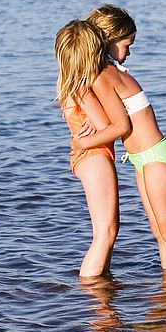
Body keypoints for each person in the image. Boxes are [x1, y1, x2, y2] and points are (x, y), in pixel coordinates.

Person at [76, 4, 166, 275]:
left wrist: (82, 143)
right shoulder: (105, 73)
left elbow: (120, 125)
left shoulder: (105, 75)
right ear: (109, 40)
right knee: (159, 232)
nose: (128, 52)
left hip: (155, 154)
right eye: (127, 45)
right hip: (143, 158)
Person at [55, 21, 127, 277]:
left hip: (88, 158)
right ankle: (92, 290)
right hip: (95, 157)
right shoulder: (83, 89)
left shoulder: (68, 84)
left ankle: (103, 285)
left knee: (106, 231)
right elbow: (108, 126)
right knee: (105, 232)